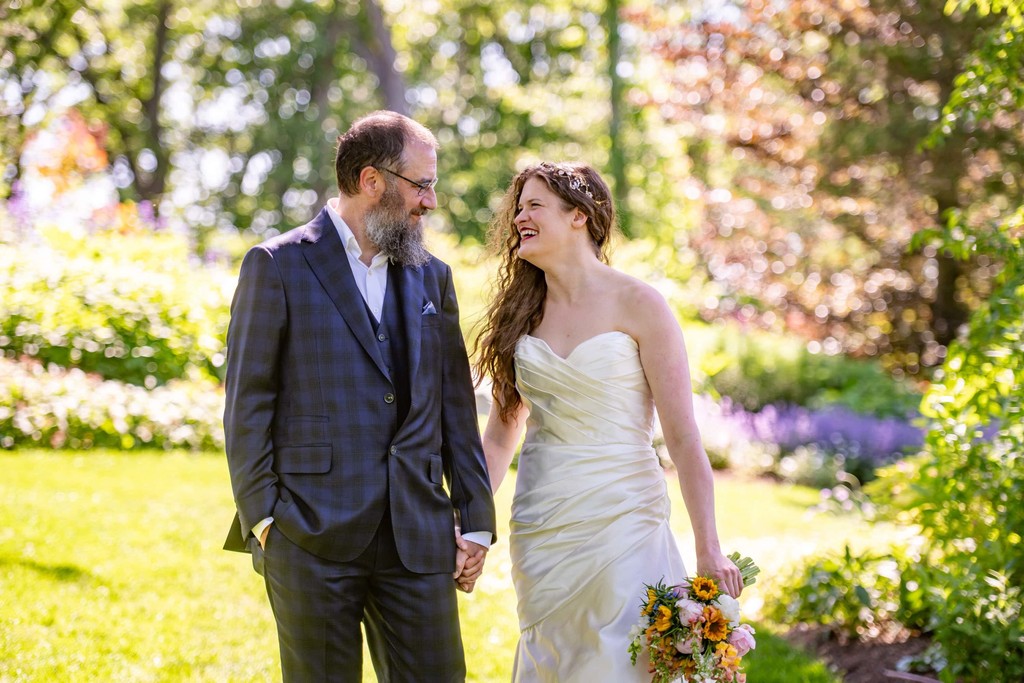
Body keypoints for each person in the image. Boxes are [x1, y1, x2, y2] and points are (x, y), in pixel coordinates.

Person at [222, 110, 496, 682]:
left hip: (417, 536)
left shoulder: (433, 277)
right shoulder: (276, 265)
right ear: (373, 181)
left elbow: (453, 405)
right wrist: (265, 520)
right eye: (422, 184)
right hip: (308, 535)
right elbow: (247, 404)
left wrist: (474, 520)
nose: (431, 201)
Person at [472, 162, 742, 681]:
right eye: (518, 208)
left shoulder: (640, 303)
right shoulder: (519, 315)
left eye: (534, 206)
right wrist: (473, 525)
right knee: (558, 658)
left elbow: (684, 438)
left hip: (625, 516)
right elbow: (502, 434)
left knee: (619, 660)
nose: (519, 218)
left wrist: (708, 546)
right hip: (544, 523)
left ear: (580, 216)